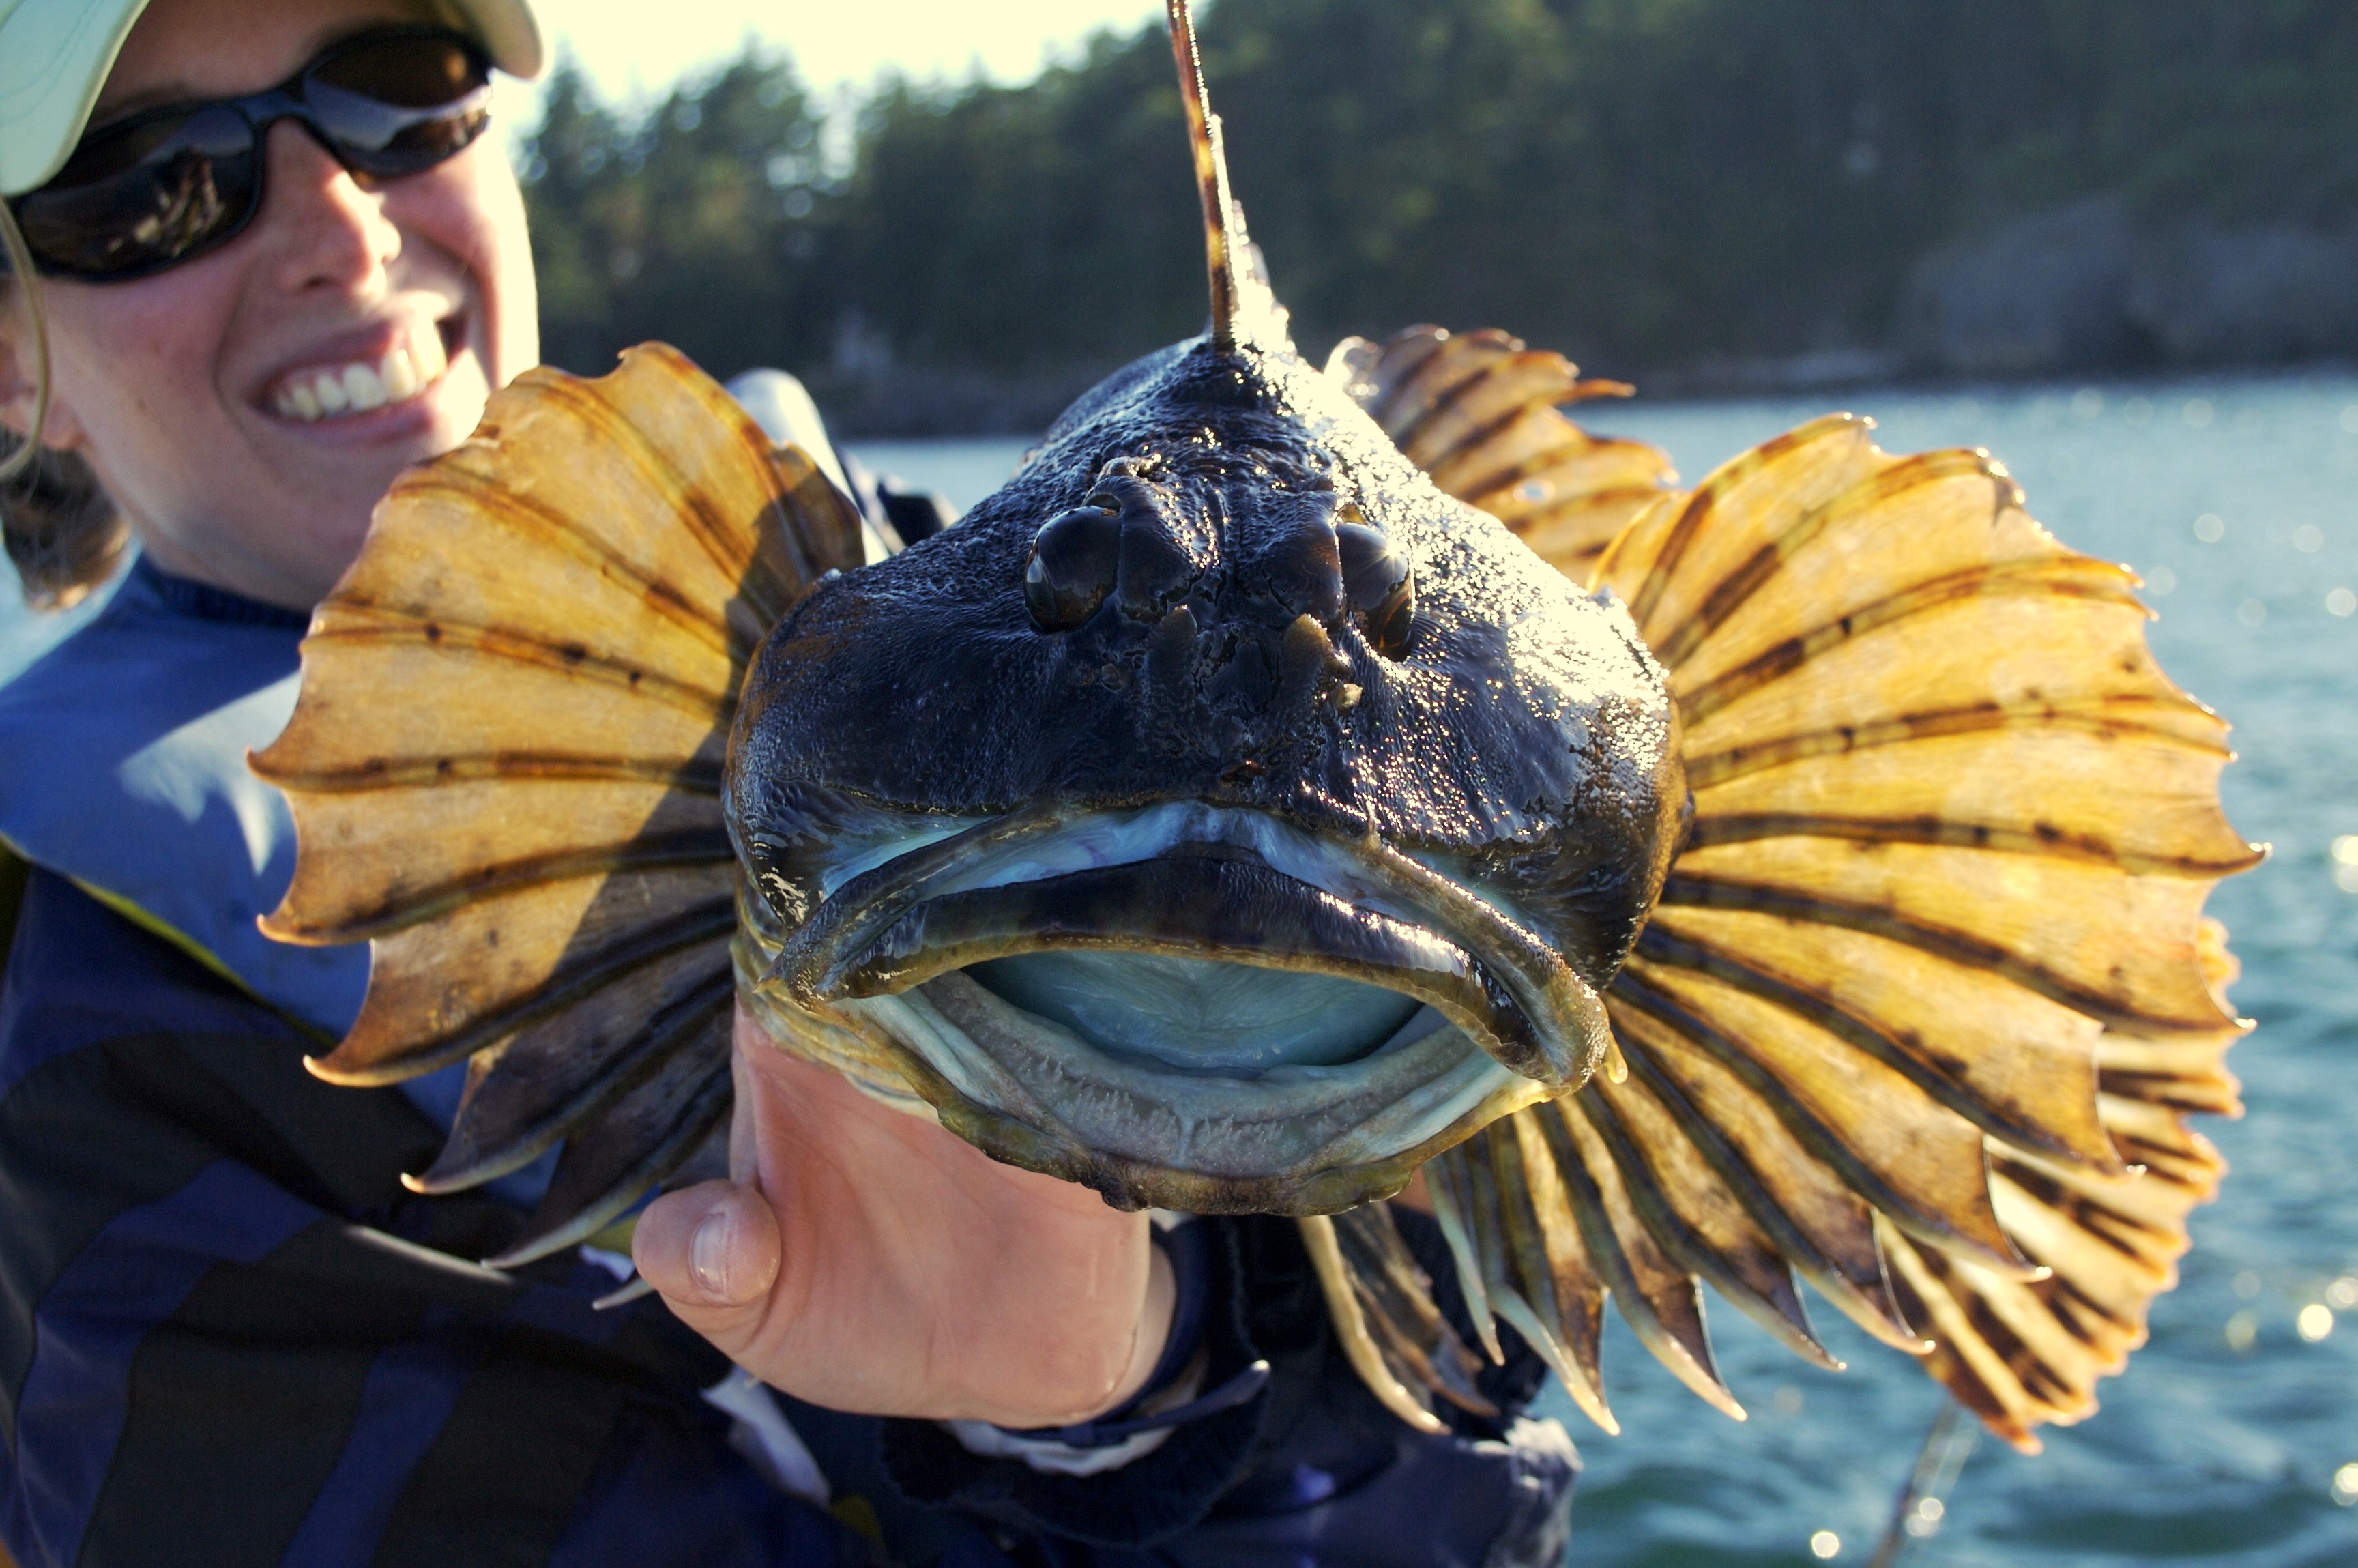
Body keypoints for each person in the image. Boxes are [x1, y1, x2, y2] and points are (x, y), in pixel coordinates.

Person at [0, 1, 1579, 1563]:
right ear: (17, 364)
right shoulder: (93, 1072)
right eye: (150, 186)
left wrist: (1162, 1376)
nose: (339, 228)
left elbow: (1477, 1418)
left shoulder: (933, 579)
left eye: (396, 95)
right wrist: (1075, 1416)